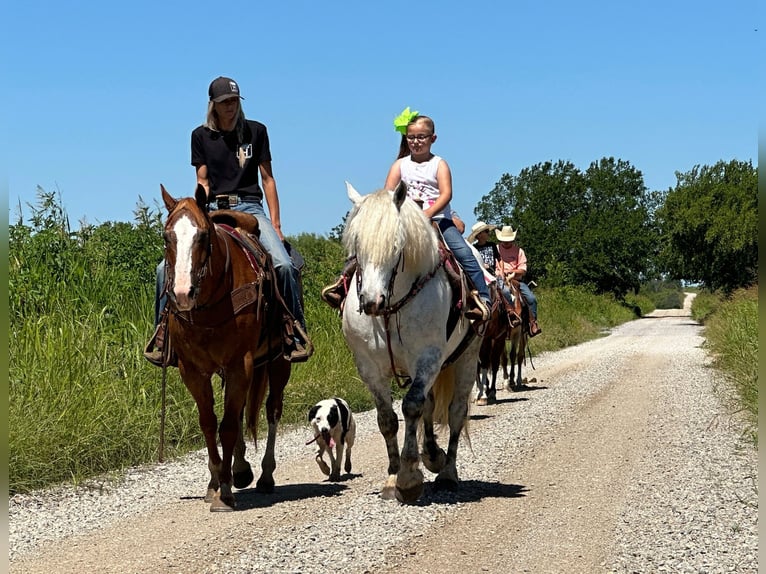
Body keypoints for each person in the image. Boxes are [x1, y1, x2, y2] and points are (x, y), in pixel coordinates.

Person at [144, 76, 311, 364]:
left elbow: (268, 179)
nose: (230, 107)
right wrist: (199, 202)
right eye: (224, 103)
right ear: (214, 105)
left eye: (234, 101)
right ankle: (164, 333)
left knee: (283, 264)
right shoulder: (200, 136)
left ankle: (292, 329)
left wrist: (277, 224)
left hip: (251, 207)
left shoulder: (256, 132)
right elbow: (202, 179)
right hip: (214, 209)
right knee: (162, 269)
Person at [322, 108, 491, 322]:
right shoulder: (400, 165)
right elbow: (387, 196)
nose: (416, 141)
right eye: (411, 137)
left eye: (421, 137)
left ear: (433, 138)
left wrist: (426, 214)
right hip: (403, 222)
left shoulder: (439, 164)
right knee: (368, 250)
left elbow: (446, 194)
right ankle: (342, 286)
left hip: (438, 220)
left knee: (463, 253)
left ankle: (482, 299)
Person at [494, 225, 542, 336]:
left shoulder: (519, 251)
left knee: (531, 299)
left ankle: (532, 323)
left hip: (516, 280)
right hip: (498, 279)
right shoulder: (495, 249)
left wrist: (512, 272)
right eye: (504, 241)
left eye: (509, 240)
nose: (506, 243)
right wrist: (500, 273)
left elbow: (523, 270)